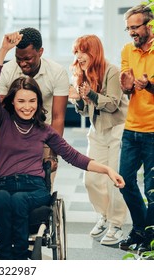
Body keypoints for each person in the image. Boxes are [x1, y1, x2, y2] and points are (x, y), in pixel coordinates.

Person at [0, 32, 125, 260]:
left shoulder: (43, 130)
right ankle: (6, 256)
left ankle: (16, 259)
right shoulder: (2, 122)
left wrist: (108, 170)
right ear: (12, 102)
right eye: (21, 101)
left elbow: (74, 156)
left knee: (17, 200)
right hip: (5, 182)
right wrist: (3, 50)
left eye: (32, 101)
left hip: (34, 187)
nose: (27, 107)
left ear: (39, 103)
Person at [68, 35, 129, 246]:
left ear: (93, 52)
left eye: (82, 51)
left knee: (115, 179)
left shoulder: (112, 71)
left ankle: (116, 224)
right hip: (97, 131)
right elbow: (86, 112)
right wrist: (77, 101)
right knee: (91, 179)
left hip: (117, 130)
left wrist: (91, 94)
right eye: (76, 51)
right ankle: (104, 215)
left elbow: (112, 104)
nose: (78, 56)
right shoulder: (83, 75)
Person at [0, 27, 69, 178]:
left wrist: (53, 155)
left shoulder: (57, 72)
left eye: (27, 59)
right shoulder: (7, 71)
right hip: (13, 135)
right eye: (19, 59)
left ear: (40, 52)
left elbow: (58, 117)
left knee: (42, 187)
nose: (22, 64)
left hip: (44, 136)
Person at [118, 4, 154, 255]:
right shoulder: (127, 50)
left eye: (135, 27)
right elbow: (126, 86)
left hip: (153, 131)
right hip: (131, 129)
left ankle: (149, 237)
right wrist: (127, 86)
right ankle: (141, 227)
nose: (131, 32)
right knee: (124, 181)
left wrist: (150, 86)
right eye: (128, 28)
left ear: (149, 26)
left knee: (151, 188)